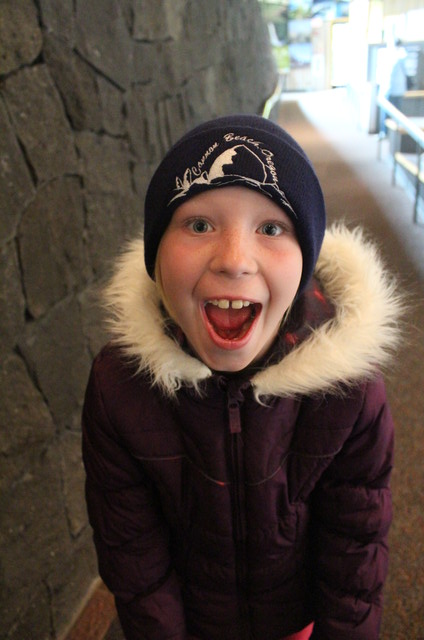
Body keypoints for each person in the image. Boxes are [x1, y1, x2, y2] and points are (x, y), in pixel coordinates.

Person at [82, 115, 402, 639]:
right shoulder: (120, 388)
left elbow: (356, 549)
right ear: (156, 256)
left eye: (271, 228)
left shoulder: (349, 388)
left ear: (306, 263)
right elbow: (133, 554)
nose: (234, 261)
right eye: (200, 224)